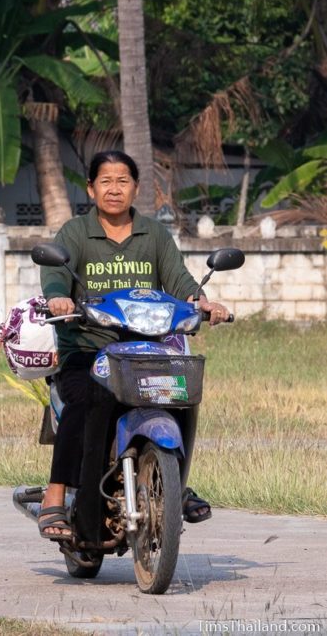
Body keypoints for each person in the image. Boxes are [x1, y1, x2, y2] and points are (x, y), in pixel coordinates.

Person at [38, 150, 230, 541]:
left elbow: (179, 280)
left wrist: (203, 303)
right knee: (85, 399)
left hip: (146, 351)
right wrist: (59, 298)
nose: (114, 189)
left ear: (136, 188)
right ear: (91, 188)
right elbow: (56, 276)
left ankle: (174, 481)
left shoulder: (154, 235)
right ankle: (54, 495)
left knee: (180, 395)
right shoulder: (75, 234)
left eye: (122, 181)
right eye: (105, 181)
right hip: (88, 349)